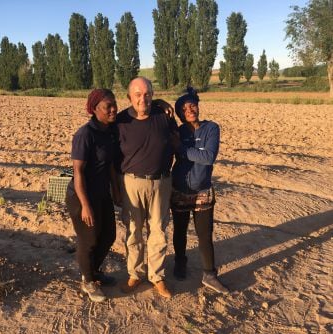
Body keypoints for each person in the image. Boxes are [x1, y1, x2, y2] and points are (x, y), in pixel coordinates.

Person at [116, 76, 175, 299]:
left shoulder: (164, 116)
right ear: (129, 97)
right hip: (131, 183)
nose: (143, 99)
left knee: (158, 232)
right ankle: (135, 274)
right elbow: (113, 158)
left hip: (161, 182)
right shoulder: (120, 122)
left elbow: (176, 144)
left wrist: (161, 102)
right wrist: (116, 188)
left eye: (148, 94)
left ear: (153, 94)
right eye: (138, 94)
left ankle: (157, 277)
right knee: (133, 231)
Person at [171, 87, 229, 294]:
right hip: (179, 188)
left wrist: (182, 149)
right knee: (179, 231)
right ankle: (180, 262)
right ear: (179, 113)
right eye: (184, 108)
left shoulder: (211, 128)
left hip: (203, 189)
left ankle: (209, 274)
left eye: (192, 105)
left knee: (204, 235)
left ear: (198, 106)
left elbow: (208, 157)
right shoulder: (177, 131)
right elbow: (200, 154)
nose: (190, 110)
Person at [65, 88, 120, 302]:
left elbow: (111, 166)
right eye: (108, 106)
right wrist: (85, 205)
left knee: (108, 236)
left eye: (115, 104)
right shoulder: (85, 134)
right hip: (82, 195)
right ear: (95, 109)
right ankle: (88, 280)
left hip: (102, 193)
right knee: (89, 240)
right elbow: (78, 171)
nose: (114, 109)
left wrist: (115, 190)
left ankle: (93, 271)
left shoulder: (111, 130)